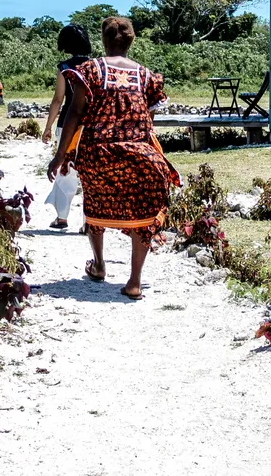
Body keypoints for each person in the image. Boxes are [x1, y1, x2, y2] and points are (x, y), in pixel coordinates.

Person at [47, 16, 178, 299]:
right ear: (131, 41)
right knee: (144, 212)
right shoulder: (147, 76)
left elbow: (75, 113)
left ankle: (99, 265)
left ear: (103, 41)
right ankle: (134, 282)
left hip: (98, 152)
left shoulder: (90, 70)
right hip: (139, 155)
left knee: (95, 202)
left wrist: (61, 154)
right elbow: (147, 121)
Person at [41, 24, 94, 229]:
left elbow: (58, 99)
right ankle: (89, 222)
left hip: (67, 124)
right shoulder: (95, 66)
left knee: (66, 169)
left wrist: (48, 127)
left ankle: (62, 217)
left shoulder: (64, 68)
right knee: (89, 173)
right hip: (90, 125)